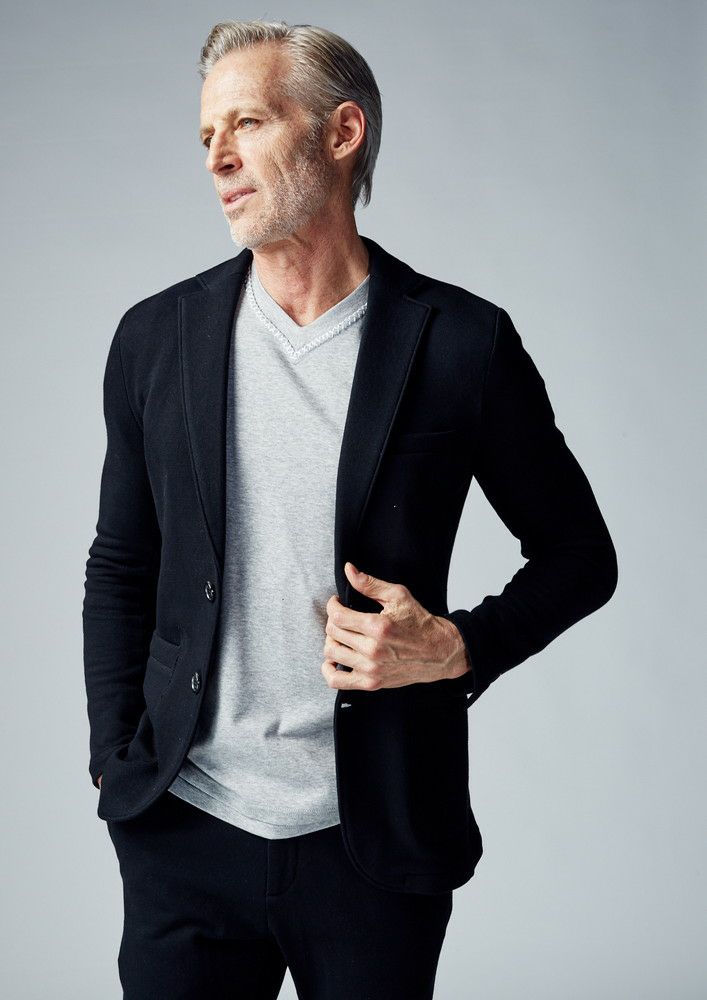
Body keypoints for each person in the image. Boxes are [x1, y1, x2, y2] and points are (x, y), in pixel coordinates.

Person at [83, 19, 618, 1000]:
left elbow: (580, 555)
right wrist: (115, 761)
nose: (217, 156)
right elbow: (122, 562)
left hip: (375, 838)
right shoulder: (156, 338)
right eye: (205, 135)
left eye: (247, 122)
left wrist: (456, 647)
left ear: (341, 132)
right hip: (184, 829)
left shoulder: (460, 342)